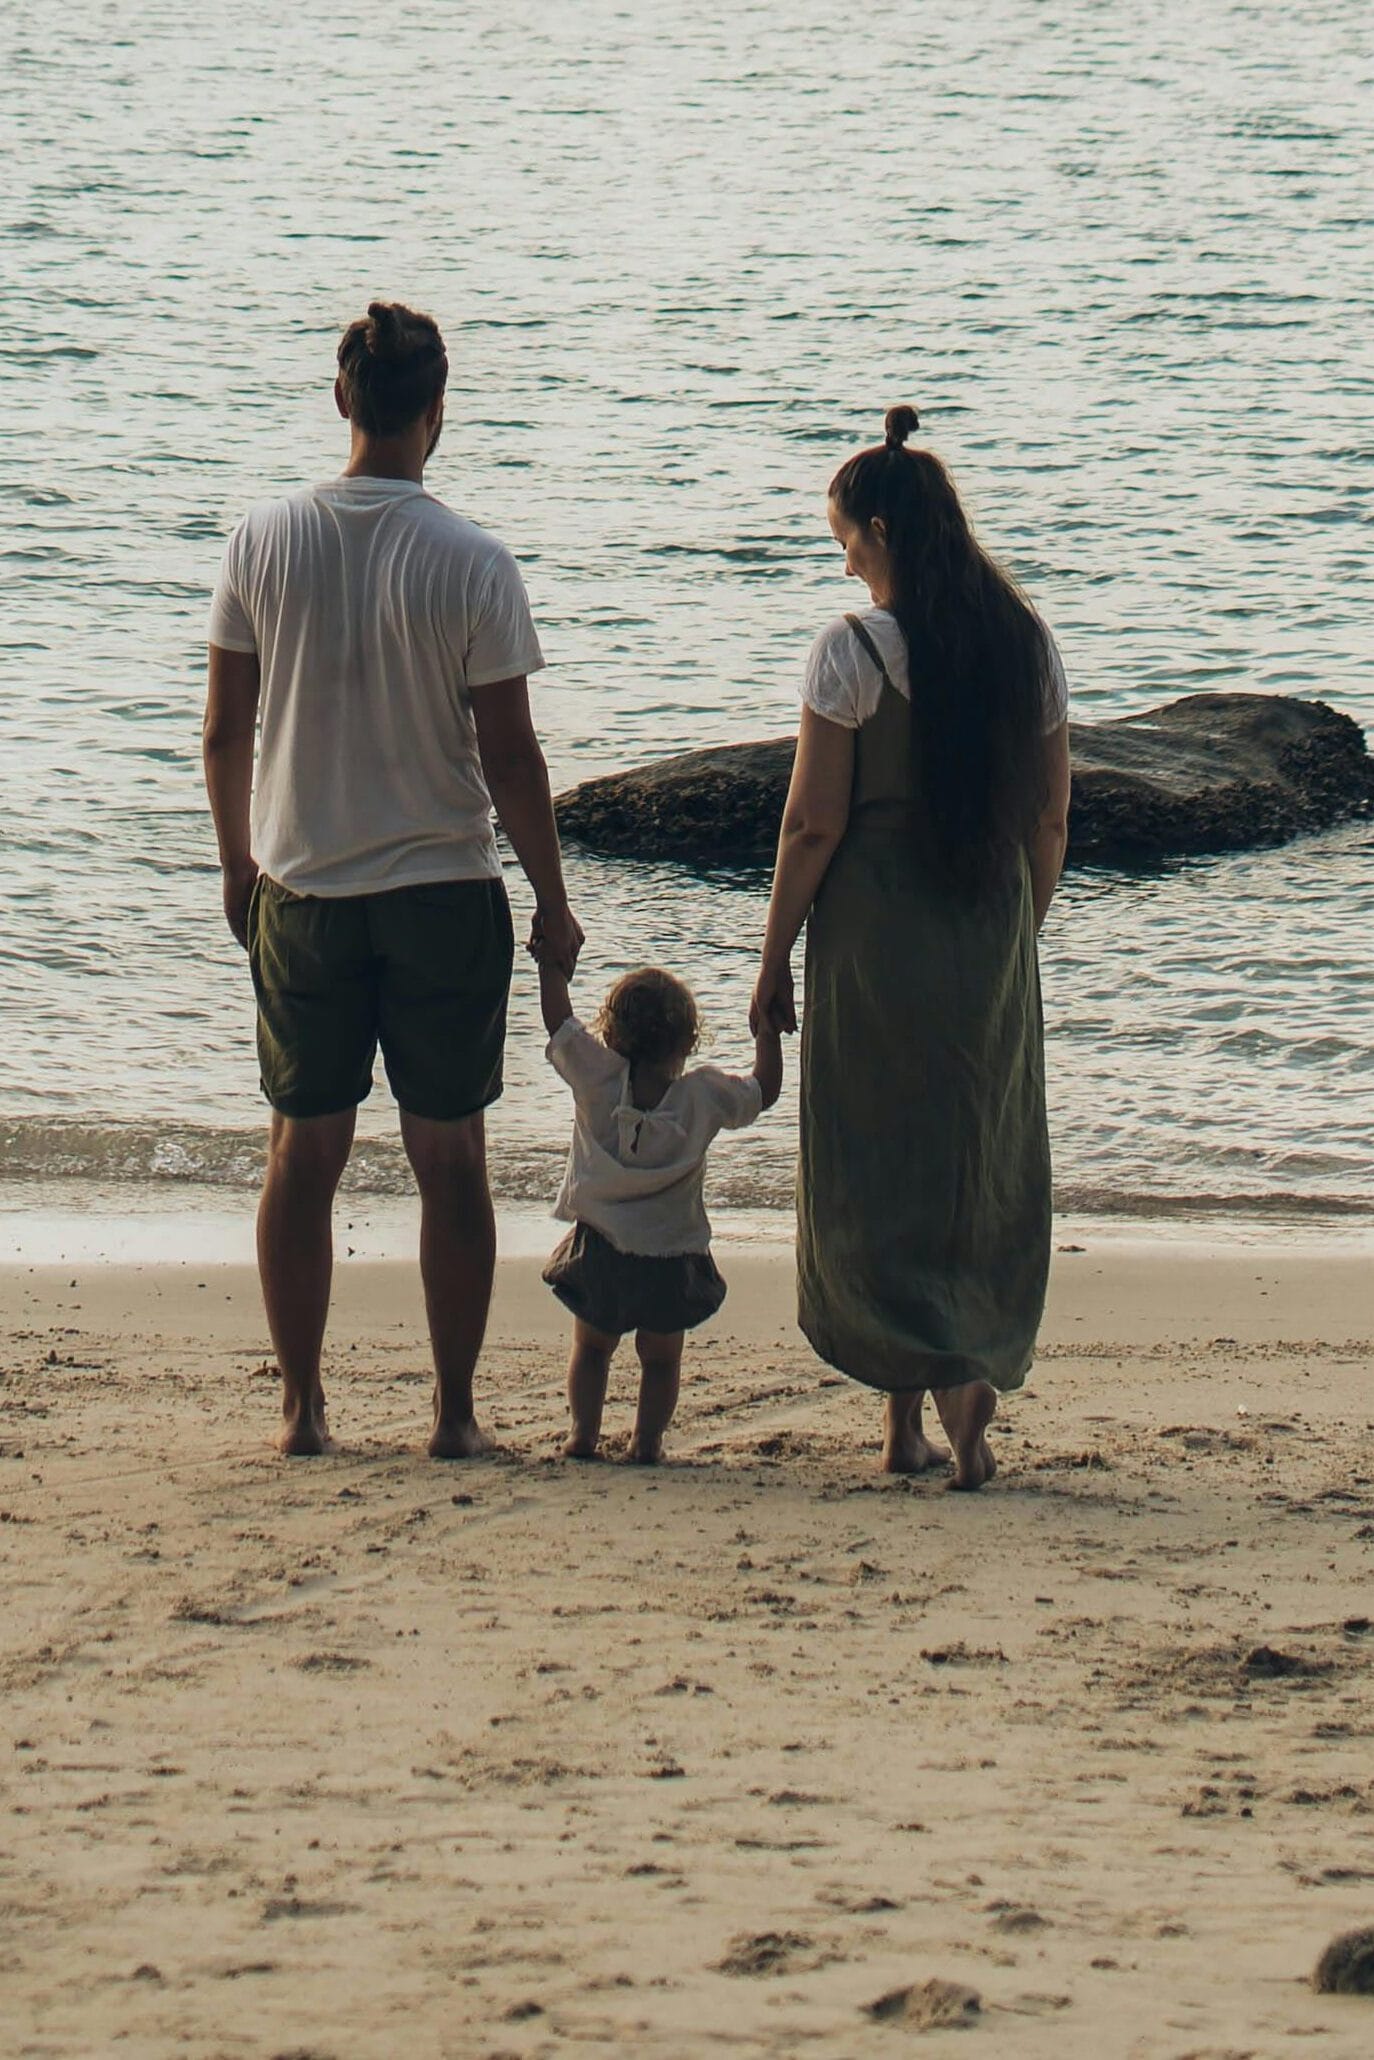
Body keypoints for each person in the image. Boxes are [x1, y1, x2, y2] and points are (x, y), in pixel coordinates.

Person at [203, 300, 581, 1459]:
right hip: (440, 890)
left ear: (341, 401)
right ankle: (454, 1412)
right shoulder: (471, 558)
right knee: (450, 1155)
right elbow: (512, 757)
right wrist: (554, 901)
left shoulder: (263, 538)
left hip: (305, 885)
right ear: (435, 413)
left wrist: (237, 863)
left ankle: (302, 1408)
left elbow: (226, 728)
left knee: (300, 1152)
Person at [750, 406, 1071, 1490]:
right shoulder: (1024, 642)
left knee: (880, 1157)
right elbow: (1050, 821)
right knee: (974, 1154)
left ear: (880, 526)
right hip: (987, 919)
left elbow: (812, 822)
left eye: (844, 536)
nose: (841, 555)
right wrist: (1019, 927)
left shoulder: (850, 651)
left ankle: (902, 1425)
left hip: (873, 931)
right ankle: (966, 1395)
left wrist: (770, 958)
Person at [536, 955, 782, 1463]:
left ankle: (583, 1434)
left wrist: (552, 964)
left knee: (592, 1349)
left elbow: (558, 1022)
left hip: (601, 1248)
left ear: (610, 1033)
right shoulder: (705, 1095)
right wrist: (766, 1026)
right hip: (672, 1255)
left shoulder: (597, 1078)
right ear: (689, 1041)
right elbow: (765, 1090)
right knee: (662, 1360)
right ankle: (646, 1442)